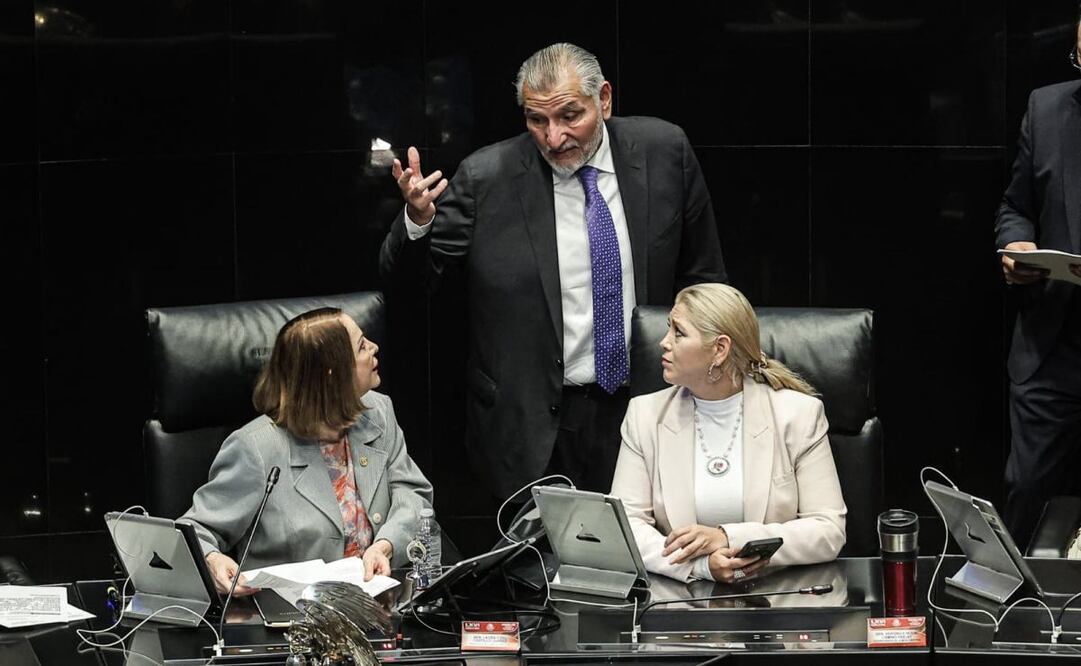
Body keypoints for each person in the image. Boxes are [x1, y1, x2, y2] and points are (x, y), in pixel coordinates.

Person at [379, 43, 726, 499]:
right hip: (532, 422)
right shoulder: (486, 177)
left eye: (569, 116)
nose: (553, 137)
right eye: (537, 120)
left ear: (603, 99)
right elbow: (411, 287)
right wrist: (417, 222)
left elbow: (705, 279)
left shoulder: (664, 152)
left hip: (648, 405)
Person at [180, 307, 433, 595]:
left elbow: (412, 492)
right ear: (331, 374)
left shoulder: (378, 413)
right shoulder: (255, 449)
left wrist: (386, 545)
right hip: (289, 611)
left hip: (378, 602)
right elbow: (192, 532)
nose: (375, 348)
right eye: (362, 346)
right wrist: (212, 559)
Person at [610, 284, 846, 583]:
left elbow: (828, 530)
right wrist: (701, 566)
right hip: (681, 599)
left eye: (678, 333)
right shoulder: (645, 415)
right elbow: (624, 527)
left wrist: (728, 537)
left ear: (720, 349)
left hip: (779, 594)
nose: (663, 342)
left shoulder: (798, 415)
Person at [996, 7, 1081, 548]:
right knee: (1025, 492)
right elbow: (1015, 206)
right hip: (1052, 346)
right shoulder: (1046, 108)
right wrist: (1017, 244)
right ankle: (1012, 596)